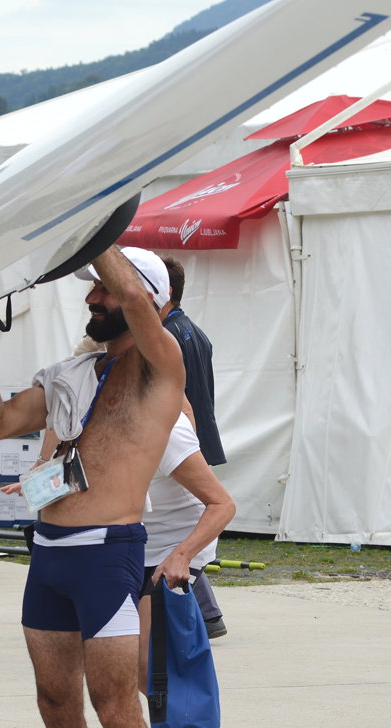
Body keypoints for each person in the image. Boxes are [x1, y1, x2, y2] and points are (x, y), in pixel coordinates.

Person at [0, 245, 184, 728]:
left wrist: (94, 228)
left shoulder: (159, 368)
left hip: (106, 554)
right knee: (54, 703)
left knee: (115, 707)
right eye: (91, 289)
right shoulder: (69, 374)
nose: (92, 298)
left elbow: (135, 298)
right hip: (49, 554)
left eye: (103, 290)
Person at [138, 413, 235, 690]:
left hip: (172, 548)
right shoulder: (94, 417)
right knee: (122, 663)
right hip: (130, 545)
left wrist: (182, 556)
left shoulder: (167, 431)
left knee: (145, 662)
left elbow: (223, 505)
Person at [160, 256, 229, 639]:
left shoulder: (165, 338)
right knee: (182, 525)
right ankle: (207, 614)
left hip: (181, 442)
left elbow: (178, 396)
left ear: (163, 291)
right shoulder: (192, 331)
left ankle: (204, 615)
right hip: (192, 439)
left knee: (179, 526)